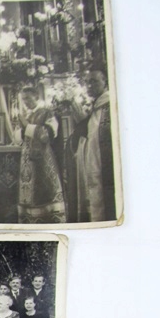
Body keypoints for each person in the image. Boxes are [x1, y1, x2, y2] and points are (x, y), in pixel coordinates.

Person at [67, 69, 116, 223]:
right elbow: (90, 135)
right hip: (95, 165)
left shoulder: (111, 105)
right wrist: (82, 123)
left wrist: (83, 122)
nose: (89, 85)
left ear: (105, 82)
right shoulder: (97, 106)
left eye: (94, 81)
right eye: (87, 82)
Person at [15, 86, 66, 224]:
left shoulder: (47, 113)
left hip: (43, 159)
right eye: (23, 99)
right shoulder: (27, 115)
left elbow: (47, 135)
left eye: (28, 98)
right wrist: (21, 130)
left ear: (37, 97)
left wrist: (27, 126)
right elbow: (19, 138)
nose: (25, 102)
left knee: (44, 192)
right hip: (27, 160)